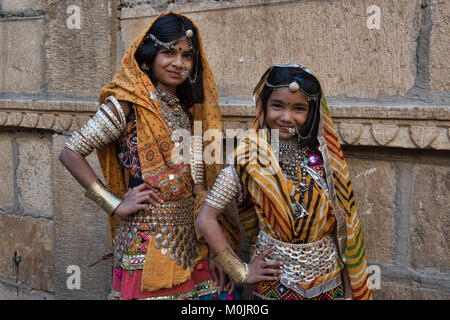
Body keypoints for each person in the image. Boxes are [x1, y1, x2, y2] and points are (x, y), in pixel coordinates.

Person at [59, 12, 241, 300]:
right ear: (148, 56)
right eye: (169, 52)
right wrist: (115, 204)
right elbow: (71, 152)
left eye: (186, 56)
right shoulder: (128, 103)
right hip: (145, 246)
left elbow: (195, 185)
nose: (178, 63)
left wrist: (214, 253)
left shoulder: (184, 110)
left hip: (190, 244)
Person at [196, 63, 372, 300]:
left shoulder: (325, 156)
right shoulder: (251, 155)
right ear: (264, 106)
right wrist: (240, 271)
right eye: (277, 106)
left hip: (329, 282)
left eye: (299, 108)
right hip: (276, 286)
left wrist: (351, 281)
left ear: (312, 112)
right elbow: (206, 218)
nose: (286, 117)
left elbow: (345, 224)